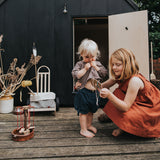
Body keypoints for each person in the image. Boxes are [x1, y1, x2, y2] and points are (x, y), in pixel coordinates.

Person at [99, 48, 160, 138]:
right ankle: (116, 119)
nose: (114, 67)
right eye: (112, 64)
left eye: (118, 65)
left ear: (127, 65)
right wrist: (88, 84)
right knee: (118, 93)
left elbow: (125, 107)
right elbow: (101, 86)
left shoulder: (134, 81)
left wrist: (109, 95)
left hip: (151, 109)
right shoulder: (119, 76)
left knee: (121, 105)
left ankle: (123, 127)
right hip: (137, 104)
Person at [72, 38, 108, 138]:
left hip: (94, 92)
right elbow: (75, 75)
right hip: (83, 92)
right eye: (87, 57)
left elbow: (104, 73)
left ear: (96, 55)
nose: (90, 59)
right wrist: (85, 69)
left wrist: (96, 67)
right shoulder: (80, 64)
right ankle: (83, 129)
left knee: (91, 110)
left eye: (92, 56)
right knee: (83, 111)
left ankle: (89, 125)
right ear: (81, 55)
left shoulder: (98, 64)